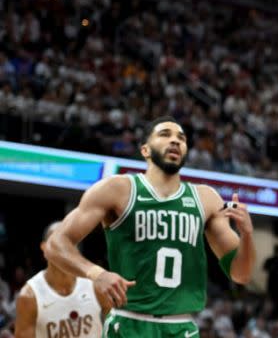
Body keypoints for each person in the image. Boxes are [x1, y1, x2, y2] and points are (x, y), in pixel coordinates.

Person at [45, 116, 257, 337]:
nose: (175, 141)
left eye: (181, 138)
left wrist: (248, 235)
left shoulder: (206, 199)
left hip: (182, 326)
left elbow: (241, 274)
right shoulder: (117, 189)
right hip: (129, 323)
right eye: (165, 135)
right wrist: (97, 274)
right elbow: (55, 244)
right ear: (145, 150)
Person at [15, 221, 106, 338]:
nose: (62, 248)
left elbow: (117, 329)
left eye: (68, 242)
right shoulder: (29, 296)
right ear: (44, 248)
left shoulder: (96, 285)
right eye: (56, 243)